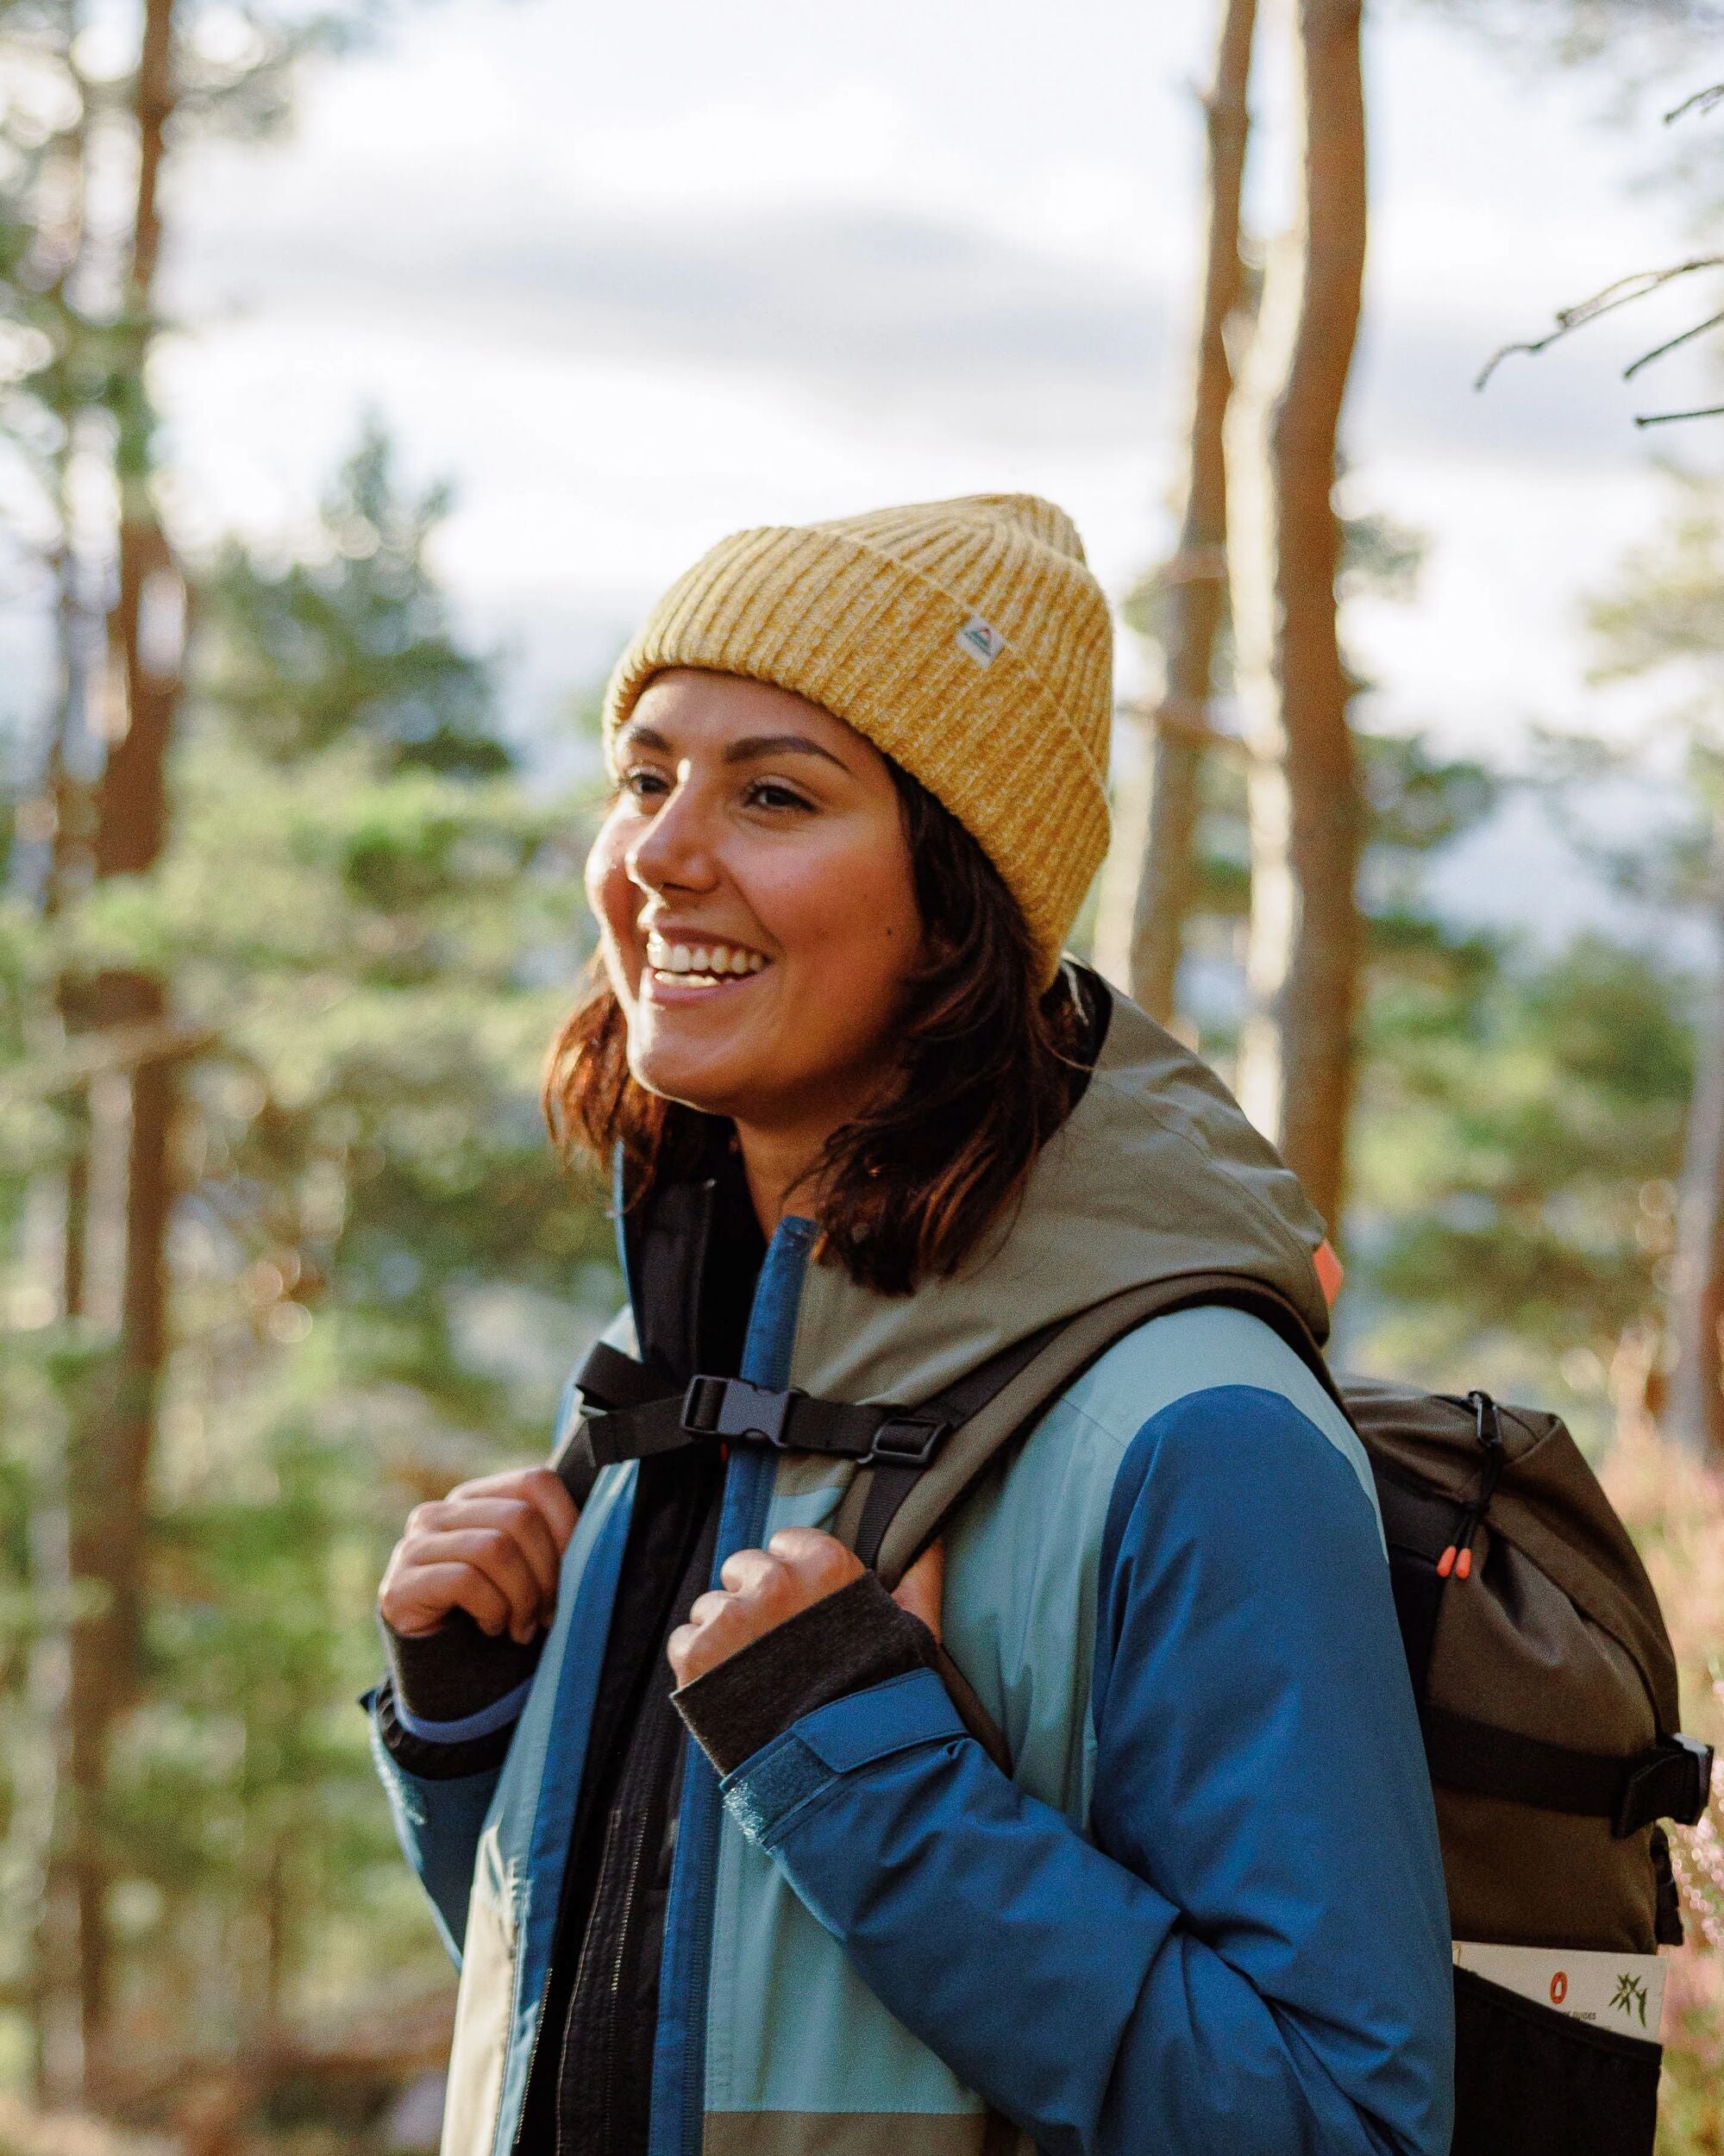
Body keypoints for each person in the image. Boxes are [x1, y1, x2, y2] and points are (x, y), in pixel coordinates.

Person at [367, 494, 1454, 2156]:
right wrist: (474, 1738)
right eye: (646, 776)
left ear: (958, 902)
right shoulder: (686, 1376)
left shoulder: (1191, 1434)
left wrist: (870, 1785)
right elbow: (668, 2027)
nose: (659, 855)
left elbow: (1343, 2123)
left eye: (774, 794)